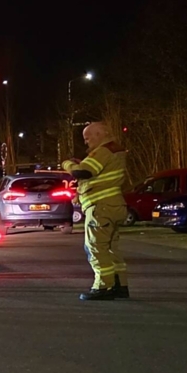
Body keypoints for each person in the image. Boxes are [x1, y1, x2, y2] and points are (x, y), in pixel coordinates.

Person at [63, 122, 129, 300]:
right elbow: (100, 177)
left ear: (100, 133)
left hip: (101, 207)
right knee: (111, 248)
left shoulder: (102, 151)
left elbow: (84, 172)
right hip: (114, 205)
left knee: (96, 247)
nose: (86, 142)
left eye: (88, 137)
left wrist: (68, 164)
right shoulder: (116, 150)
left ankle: (103, 287)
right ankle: (120, 285)